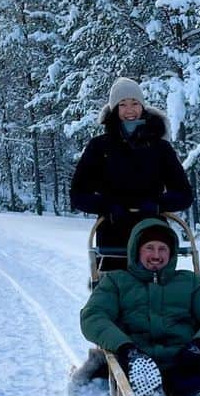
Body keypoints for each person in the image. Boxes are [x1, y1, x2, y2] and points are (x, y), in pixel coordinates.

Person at [80, 219, 200, 396]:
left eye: (162, 248)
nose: (156, 254)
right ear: (137, 251)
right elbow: (93, 316)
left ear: (171, 253)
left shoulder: (189, 282)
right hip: (135, 360)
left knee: (191, 376)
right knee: (126, 374)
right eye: (149, 247)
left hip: (183, 358)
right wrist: (124, 347)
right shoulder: (116, 281)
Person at [70, 77, 193, 271]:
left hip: (153, 234)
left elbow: (184, 195)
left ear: (142, 106)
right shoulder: (99, 147)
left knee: (158, 292)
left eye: (135, 103)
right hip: (113, 234)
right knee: (117, 291)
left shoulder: (160, 148)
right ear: (114, 109)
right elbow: (78, 195)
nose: (130, 110)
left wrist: (158, 204)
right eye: (123, 104)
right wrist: (107, 206)